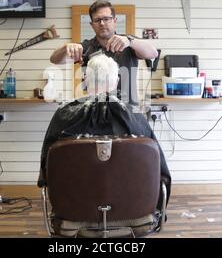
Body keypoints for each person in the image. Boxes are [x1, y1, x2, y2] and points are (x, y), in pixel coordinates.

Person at [38, 54, 171, 210]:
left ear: (85, 80)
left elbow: (46, 168)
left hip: (75, 207)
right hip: (131, 207)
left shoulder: (64, 115)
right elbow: (160, 171)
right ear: (115, 82)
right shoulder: (135, 116)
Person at [50, 0, 158, 105]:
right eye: (97, 20)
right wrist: (65, 48)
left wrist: (130, 41)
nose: (102, 23)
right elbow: (54, 59)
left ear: (114, 21)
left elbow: (153, 53)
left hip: (127, 112)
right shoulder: (86, 47)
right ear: (92, 24)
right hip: (96, 113)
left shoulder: (128, 43)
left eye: (106, 19)